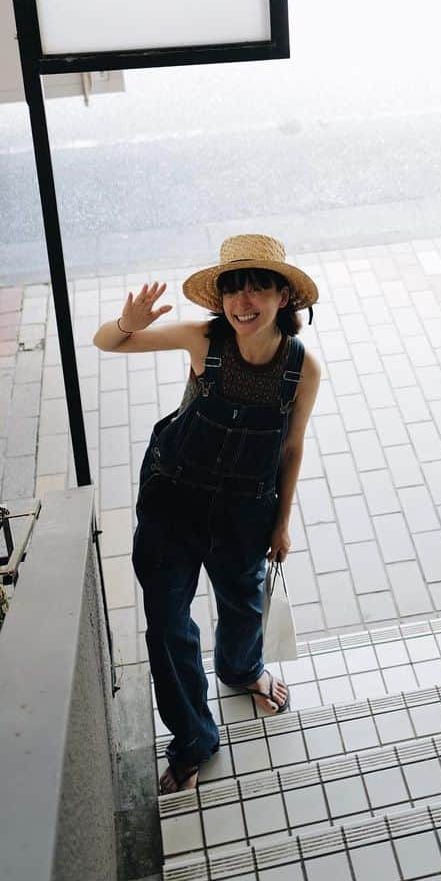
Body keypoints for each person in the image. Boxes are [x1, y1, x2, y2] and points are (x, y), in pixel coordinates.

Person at [92, 235, 321, 793]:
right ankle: (194, 738)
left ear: (283, 295)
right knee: (168, 626)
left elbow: (291, 448)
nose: (244, 302)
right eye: (233, 290)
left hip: (246, 509)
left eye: (258, 288)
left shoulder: (301, 369)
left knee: (244, 605)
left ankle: (242, 672)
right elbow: (107, 344)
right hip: (174, 501)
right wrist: (127, 321)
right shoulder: (203, 339)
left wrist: (282, 523)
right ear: (219, 301)